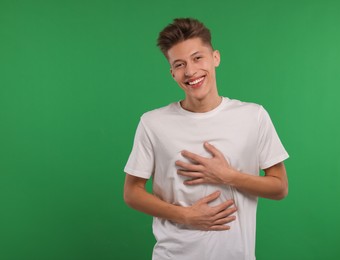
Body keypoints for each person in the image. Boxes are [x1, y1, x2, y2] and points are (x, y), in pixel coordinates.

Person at [123, 17, 289, 260]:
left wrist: (228, 176)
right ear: (172, 73)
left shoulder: (253, 116)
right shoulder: (153, 123)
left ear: (215, 58)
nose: (190, 71)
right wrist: (185, 215)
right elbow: (132, 192)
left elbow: (280, 187)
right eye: (179, 64)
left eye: (197, 58)